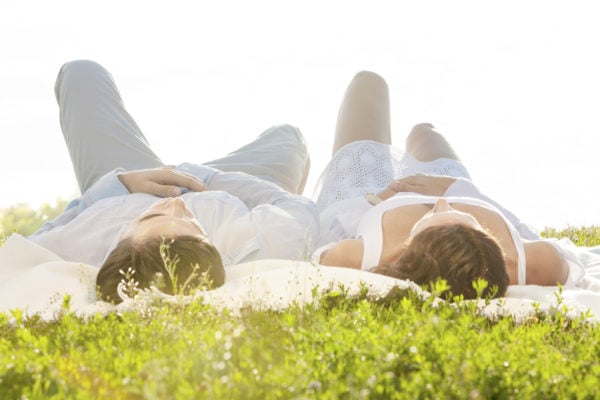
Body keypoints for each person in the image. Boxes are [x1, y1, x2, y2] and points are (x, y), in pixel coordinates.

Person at [29, 60, 318, 303]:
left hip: (130, 179)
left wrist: (122, 183)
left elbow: (26, 249)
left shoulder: (77, 247)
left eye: (152, 216)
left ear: (118, 245)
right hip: (224, 185)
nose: (176, 202)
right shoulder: (264, 244)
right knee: (288, 136)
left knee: (81, 73)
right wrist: (208, 179)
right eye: (192, 222)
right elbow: (295, 207)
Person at [311, 70, 585, 300]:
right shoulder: (535, 263)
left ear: (407, 254)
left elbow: (327, 228)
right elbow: (523, 228)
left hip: (367, 188)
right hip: (447, 179)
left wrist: (373, 198)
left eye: (432, 218)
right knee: (424, 132)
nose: (442, 204)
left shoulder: (365, 257)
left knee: (368, 84)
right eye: (465, 222)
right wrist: (456, 188)